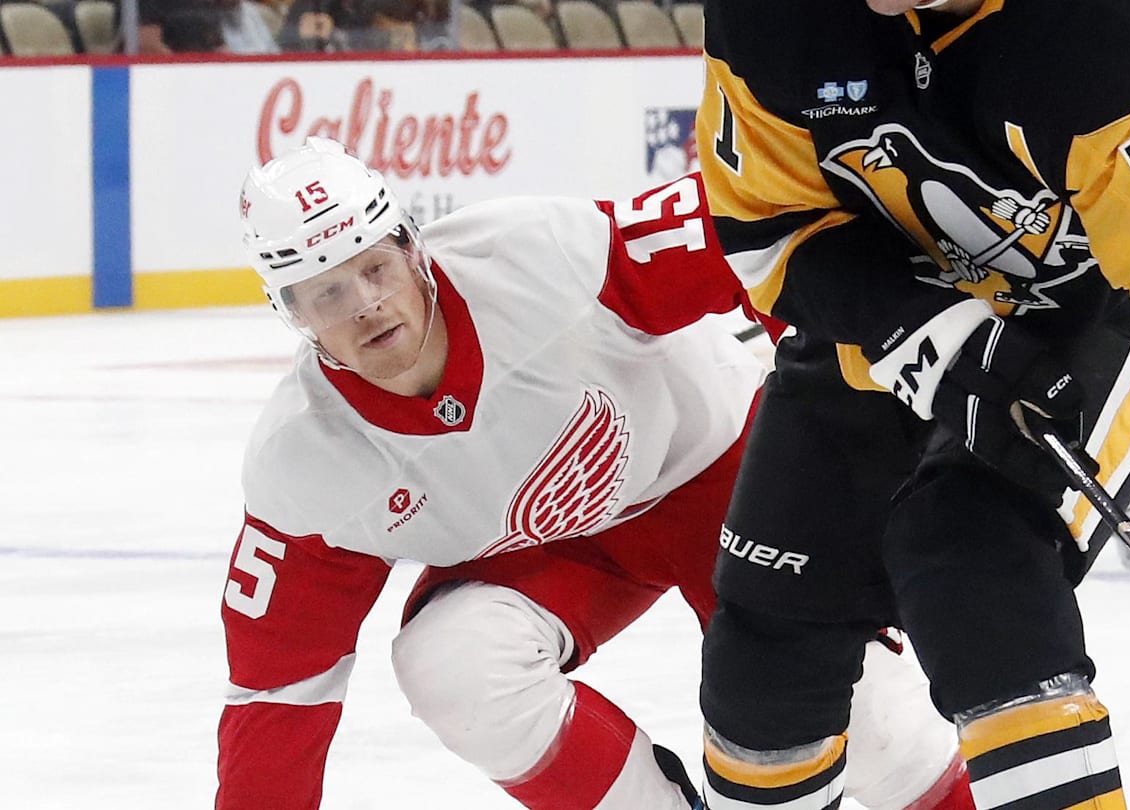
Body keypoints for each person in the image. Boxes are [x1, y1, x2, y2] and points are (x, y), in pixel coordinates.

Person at [217, 137, 974, 809]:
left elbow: (759, 243)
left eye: (374, 267)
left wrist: (871, 409)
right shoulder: (304, 463)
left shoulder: (537, 255)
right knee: (453, 668)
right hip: (554, 554)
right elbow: (277, 696)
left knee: (869, 721)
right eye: (328, 295)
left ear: (412, 250)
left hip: (728, 483)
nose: (368, 306)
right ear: (293, 317)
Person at [694, 0, 1130, 808]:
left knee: (972, 563)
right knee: (763, 659)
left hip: (1079, 331)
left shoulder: (1090, 29)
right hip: (875, 327)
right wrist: (928, 334)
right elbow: (771, 225)